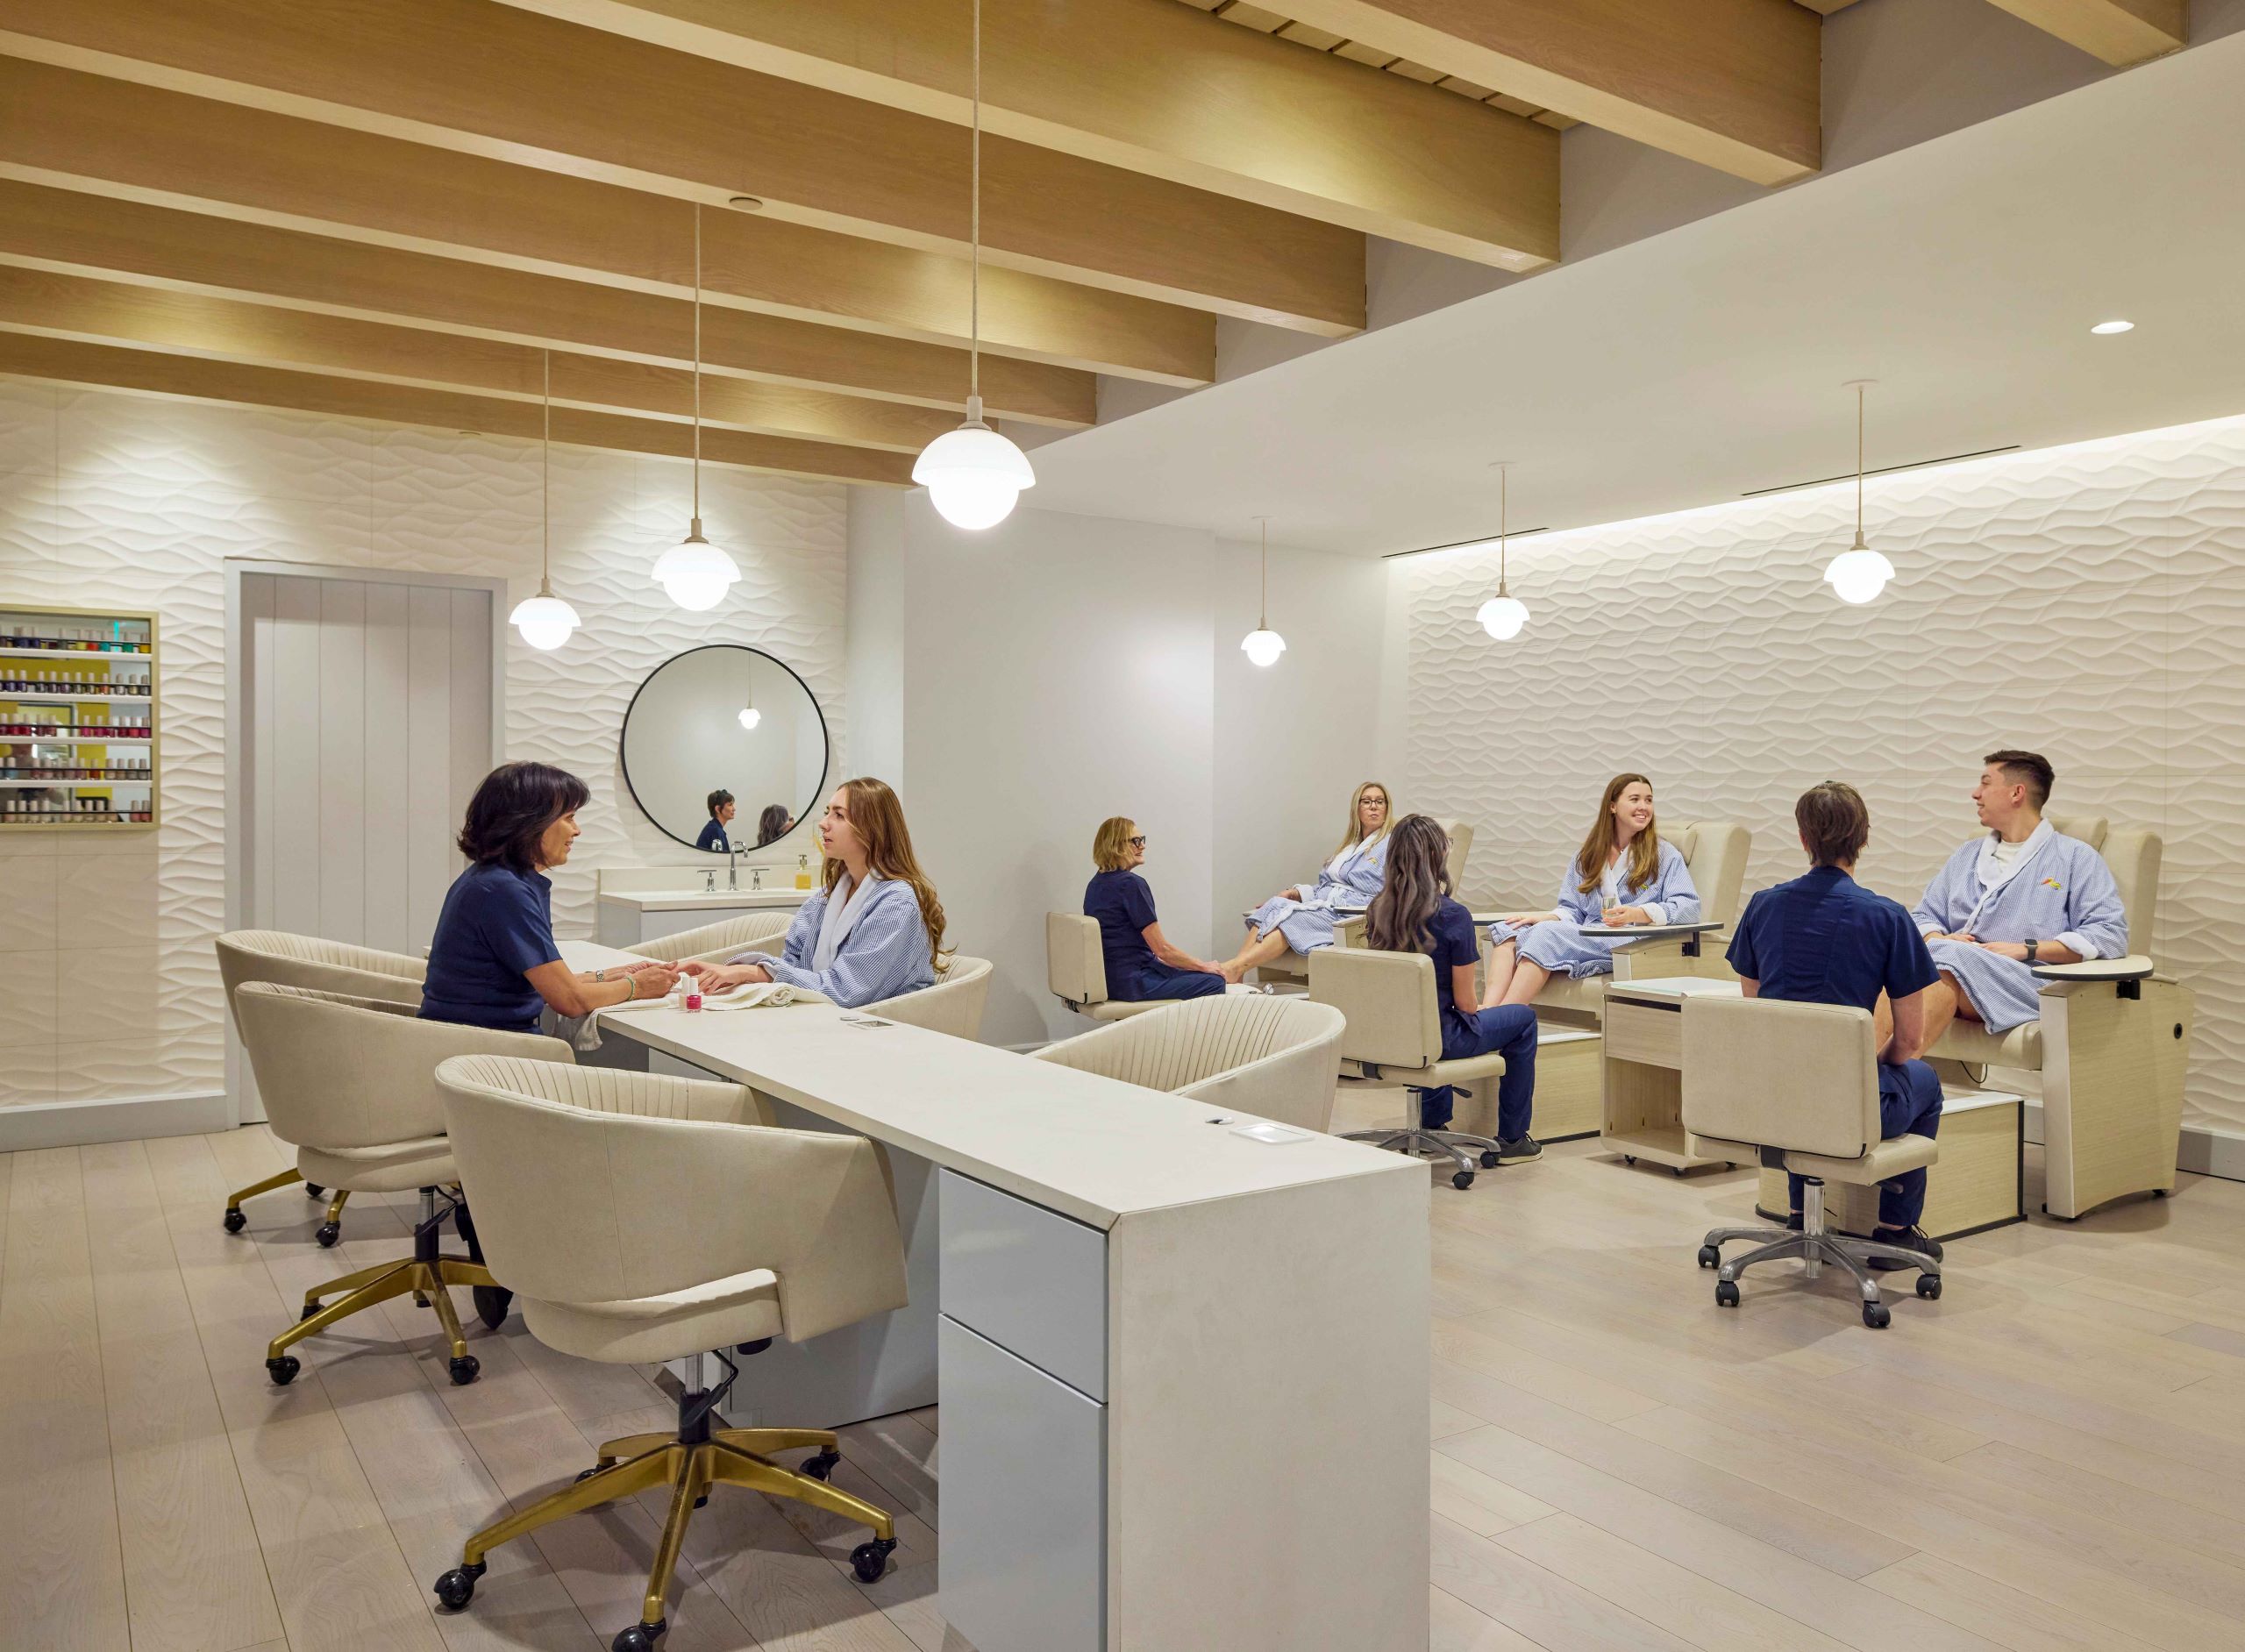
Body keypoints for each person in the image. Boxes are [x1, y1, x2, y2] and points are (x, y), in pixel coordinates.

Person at [1726, 781, 1943, 1267]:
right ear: (1863, 839)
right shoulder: (1887, 917)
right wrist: (1871, 1068)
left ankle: (1801, 1215)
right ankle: (1895, 1232)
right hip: (1847, 1108)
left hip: (1770, 1101)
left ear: (1804, 839)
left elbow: (1756, 1013)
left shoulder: (1762, 905)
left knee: (1794, 1074)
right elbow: (1910, 1039)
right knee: (1925, 1080)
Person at [421, 761, 680, 1032]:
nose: (576, 830)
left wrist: (607, 976)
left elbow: (540, 984)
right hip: (486, 1044)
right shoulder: (504, 891)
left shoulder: (491, 879)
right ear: (530, 822)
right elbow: (570, 1001)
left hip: (467, 1036)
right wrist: (638, 986)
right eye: (569, 817)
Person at [1910, 750, 2127, 1049]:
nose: (1976, 793)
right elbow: (1923, 916)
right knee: (1903, 959)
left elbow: (2110, 934)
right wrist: (1940, 939)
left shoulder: (2075, 857)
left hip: (2031, 982)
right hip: (1956, 967)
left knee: (1944, 961)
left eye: (1986, 783)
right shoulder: (1966, 855)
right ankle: (1877, 1070)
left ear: (2016, 793)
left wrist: (2027, 949)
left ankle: (1882, 1074)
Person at [1364, 814, 1539, 1162]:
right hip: (1442, 1040)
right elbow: (1466, 1004)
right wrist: (1481, 1010)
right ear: (1436, 855)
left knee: (1434, 1017)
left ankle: (1432, 1124)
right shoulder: (1453, 915)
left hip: (1390, 1037)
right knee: (1523, 1019)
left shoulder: (1377, 910)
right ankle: (1513, 1139)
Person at [687, 777, 944, 1008]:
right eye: (827, 812)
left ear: (872, 828)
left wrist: (754, 972)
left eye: (839, 815)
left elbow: (847, 990)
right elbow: (793, 968)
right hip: (823, 1022)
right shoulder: (823, 900)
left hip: (887, 1031)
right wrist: (736, 971)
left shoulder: (896, 903)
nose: (823, 823)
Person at [1483, 773, 1700, 1006]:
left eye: (1648, 800)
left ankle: (1506, 1016)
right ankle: (1487, 1011)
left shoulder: (1664, 854)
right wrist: (1545, 917)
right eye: (1635, 799)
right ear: (1613, 806)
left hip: (1630, 939)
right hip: (1590, 933)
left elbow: (1689, 907)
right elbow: (1573, 908)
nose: (1643, 807)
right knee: (1510, 929)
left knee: (1546, 934)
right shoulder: (1588, 854)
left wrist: (1638, 914)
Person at [1226, 781, 1394, 977]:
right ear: (1356, 808)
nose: (1374, 806)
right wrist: (1296, 893)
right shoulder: (1349, 846)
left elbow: (1387, 890)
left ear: (1387, 808)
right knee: (1274, 904)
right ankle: (1237, 972)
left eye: (1380, 802)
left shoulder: (1391, 844)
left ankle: (1234, 968)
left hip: (1351, 914)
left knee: (1293, 919)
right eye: (1366, 801)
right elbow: (1327, 885)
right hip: (1328, 905)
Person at [1084, 817, 1236, 1000]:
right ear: (1115, 846)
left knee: (1189, 971)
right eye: (1135, 841)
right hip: (1133, 982)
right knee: (1215, 981)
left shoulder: (1095, 884)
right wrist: (1204, 966)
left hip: (1111, 981)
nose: (1142, 846)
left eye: (1142, 840)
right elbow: (1162, 949)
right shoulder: (1131, 884)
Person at [695, 789, 735, 853]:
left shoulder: (714, 828)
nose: (734, 809)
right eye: (730, 805)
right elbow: (721, 858)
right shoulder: (715, 831)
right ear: (718, 809)